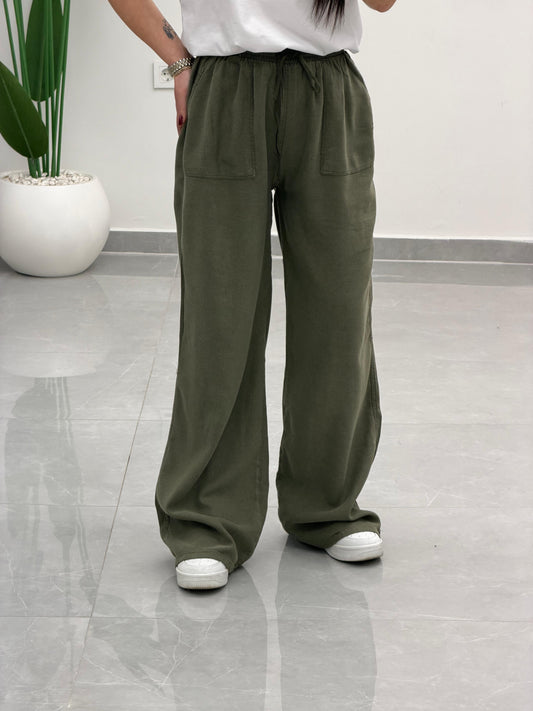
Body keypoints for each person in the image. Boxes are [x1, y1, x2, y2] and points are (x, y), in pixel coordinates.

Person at [107, 0, 397, 591]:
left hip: (327, 89)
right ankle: (206, 520)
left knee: (339, 313)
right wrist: (177, 62)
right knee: (220, 315)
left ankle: (327, 504)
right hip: (224, 90)